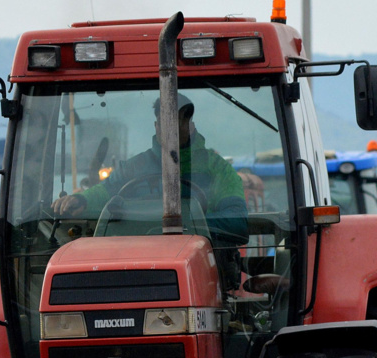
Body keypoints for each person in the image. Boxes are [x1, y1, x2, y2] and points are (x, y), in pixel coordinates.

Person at [52, 94, 249, 288]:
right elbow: (104, 193)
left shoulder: (217, 169)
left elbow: (237, 221)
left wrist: (188, 223)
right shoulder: (133, 168)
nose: (171, 129)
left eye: (178, 121)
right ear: (156, 127)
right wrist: (80, 200)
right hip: (131, 272)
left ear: (191, 125)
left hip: (203, 274)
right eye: (165, 122)